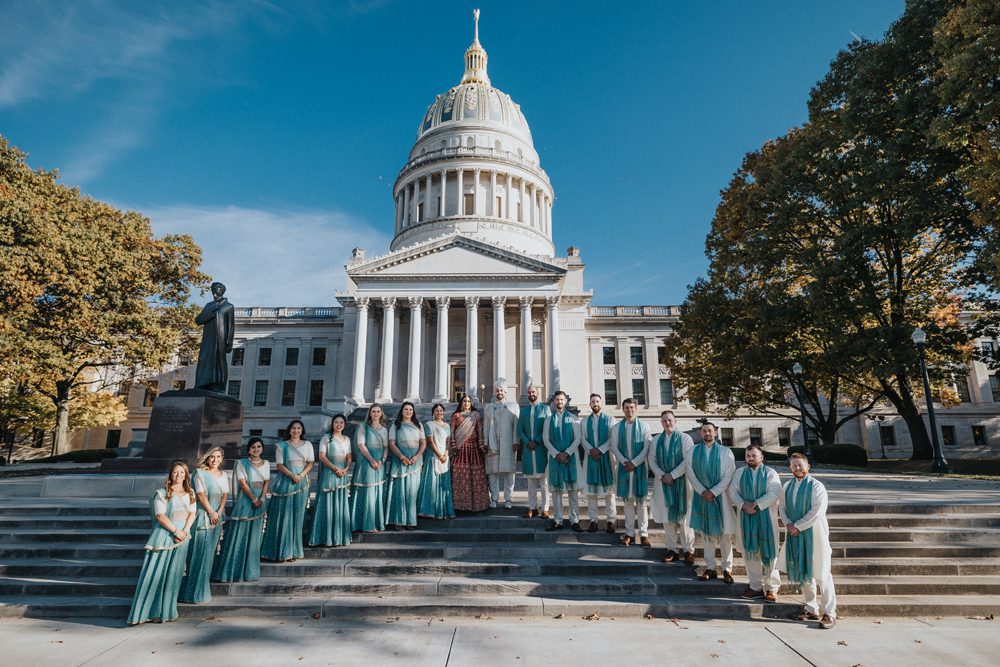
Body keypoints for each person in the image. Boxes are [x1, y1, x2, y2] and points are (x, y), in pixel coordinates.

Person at [127, 461, 196, 625]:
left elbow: (192, 514)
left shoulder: (190, 493)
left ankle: (166, 611)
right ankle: (144, 613)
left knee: (173, 575)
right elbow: (160, 516)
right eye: (175, 472)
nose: (179, 475)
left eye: (182, 472)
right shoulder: (162, 493)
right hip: (165, 536)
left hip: (182, 538)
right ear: (170, 474)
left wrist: (185, 531)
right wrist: (176, 531)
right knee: (156, 573)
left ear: (186, 475)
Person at [779, 453, 837, 629]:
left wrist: (798, 526)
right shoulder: (787, 486)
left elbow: (817, 511)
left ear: (808, 466)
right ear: (790, 467)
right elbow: (782, 507)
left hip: (815, 534)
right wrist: (788, 524)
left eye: (800, 465)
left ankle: (830, 613)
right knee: (803, 570)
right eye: (794, 465)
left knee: (822, 572)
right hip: (795, 534)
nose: (797, 468)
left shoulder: (817, 486)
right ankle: (811, 608)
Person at [212, 437, 269, 582]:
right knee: (240, 533)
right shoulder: (242, 463)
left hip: (261, 501)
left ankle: (250, 571)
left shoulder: (266, 463)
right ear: (249, 450)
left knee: (254, 537)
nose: (256, 449)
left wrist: (262, 499)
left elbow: (266, 482)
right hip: (246, 500)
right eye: (253, 447)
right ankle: (232, 572)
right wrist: (254, 499)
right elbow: (243, 484)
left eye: (259, 446)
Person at [729, 444, 781, 601]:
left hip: (766, 518)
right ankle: (755, 587)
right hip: (746, 517)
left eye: (754, 455)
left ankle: (772, 588)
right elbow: (733, 491)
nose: (751, 458)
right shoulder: (739, 473)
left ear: (761, 457)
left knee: (770, 554)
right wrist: (743, 504)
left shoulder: (770, 473)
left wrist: (756, 504)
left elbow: (774, 492)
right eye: (748, 455)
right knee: (750, 553)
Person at [686, 422, 736, 583]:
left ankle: (727, 569)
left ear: (715, 433)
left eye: (710, 430)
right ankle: (711, 568)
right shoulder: (693, 451)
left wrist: (713, 491)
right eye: (704, 431)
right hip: (701, 497)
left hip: (721, 498)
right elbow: (690, 472)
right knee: (706, 534)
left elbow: (729, 475)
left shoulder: (725, 452)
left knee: (725, 535)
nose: (707, 433)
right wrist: (703, 491)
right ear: (700, 433)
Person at [178, 446, 228, 603]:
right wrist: (212, 512)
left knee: (209, 556)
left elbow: (225, 495)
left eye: (218, 457)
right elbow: (200, 495)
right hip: (203, 517)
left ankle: (202, 590)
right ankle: (191, 593)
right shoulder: (200, 473)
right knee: (198, 554)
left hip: (217, 519)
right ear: (207, 458)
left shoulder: (224, 475)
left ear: (222, 459)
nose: (215, 460)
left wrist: (219, 512)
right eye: (212, 457)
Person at [262, 419, 314, 562]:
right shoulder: (282, 446)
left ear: (302, 430)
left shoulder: (308, 445)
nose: (296, 431)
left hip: (301, 485)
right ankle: (280, 552)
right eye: (293, 428)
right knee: (283, 517)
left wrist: (300, 476)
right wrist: (292, 476)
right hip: (285, 483)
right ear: (289, 430)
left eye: (299, 428)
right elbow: (279, 465)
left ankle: (293, 551)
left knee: (297, 518)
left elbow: (310, 463)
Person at [649, 410, 695, 564]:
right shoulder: (656, 440)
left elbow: (688, 459)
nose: (667, 423)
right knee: (667, 517)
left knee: (684, 518)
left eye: (669, 420)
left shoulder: (685, 438)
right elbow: (652, 459)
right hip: (663, 483)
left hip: (683, 483)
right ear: (661, 423)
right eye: (664, 421)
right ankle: (672, 550)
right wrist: (662, 475)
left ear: (675, 421)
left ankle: (688, 551)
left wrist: (673, 475)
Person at [609, 398, 652, 546]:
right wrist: (624, 462)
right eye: (627, 407)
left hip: (639, 468)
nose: (629, 410)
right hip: (624, 468)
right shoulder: (616, 428)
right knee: (628, 502)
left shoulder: (645, 426)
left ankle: (644, 534)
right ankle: (629, 533)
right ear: (623, 409)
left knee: (642, 503)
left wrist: (634, 462)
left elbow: (647, 447)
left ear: (636, 408)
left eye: (632, 407)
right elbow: (614, 446)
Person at [309, 415, 353, 547]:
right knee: (327, 504)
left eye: (341, 422)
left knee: (340, 505)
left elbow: (349, 457)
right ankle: (325, 538)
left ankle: (339, 537)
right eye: (336, 422)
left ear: (344, 424)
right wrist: (335, 469)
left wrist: (346, 469)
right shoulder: (326, 438)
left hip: (342, 474)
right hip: (330, 473)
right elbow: (322, 456)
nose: (339, 425)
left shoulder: (347, 439)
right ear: (332, 424)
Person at [543, 390, 582, 532]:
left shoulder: (573, 418)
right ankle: (557, 520)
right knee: (556, 491)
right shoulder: (548, 420)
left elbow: (578, 438)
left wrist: (567, 453)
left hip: (570, 459)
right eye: (557, 399)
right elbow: (546, 439)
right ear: (554, 401)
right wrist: (556, 454)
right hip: (555, 459)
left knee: (573, 491)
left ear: (565, 401)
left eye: (561, 399)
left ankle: (574, 520)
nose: (559, 402)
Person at [580, 393, 617, 534]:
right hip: (590, 458)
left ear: (602, 403)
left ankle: (610, 521)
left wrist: (600, 450)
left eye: (597, 401)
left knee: (609, 493)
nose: (595, 404)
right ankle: (593, 520)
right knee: (591, 492)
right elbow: (582, 438)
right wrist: (591, 450)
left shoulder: (610, 420)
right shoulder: (584, 422)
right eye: (593, 402)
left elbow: (612, 438)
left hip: (606, 457)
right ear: (589, 404)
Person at [386, 401, 426, 530]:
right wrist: (401, 457)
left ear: (413, 412)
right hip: (400, 461)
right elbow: (391, 444)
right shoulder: (396, 425)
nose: (408, 411)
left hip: (415, 462)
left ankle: (411, 521)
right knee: (400, 491)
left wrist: (416, 456)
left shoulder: (418, 425)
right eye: (406, 409)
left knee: (411, 492)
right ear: (402, 411)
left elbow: (423, 443)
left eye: (410, 409)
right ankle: (399, 521)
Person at [483, 379, 519, 509]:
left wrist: (516, 442)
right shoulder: (488, 408)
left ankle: (508, 499)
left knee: (509, 474)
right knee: (493, 473)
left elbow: (516, 426)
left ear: (505, 391)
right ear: (494, 392)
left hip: (509, 444)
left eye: (501, 390)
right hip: (493, 444)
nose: (499, 393)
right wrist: (485, 442)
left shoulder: (514, 406)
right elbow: (486, 427)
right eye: (497, 390)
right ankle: (494, 499)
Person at [352, 404, 389, 532]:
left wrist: (381, 460)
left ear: (381, 413)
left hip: (379, 463)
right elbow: (361, 445)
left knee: (377, 491)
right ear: (370, 413)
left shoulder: (384, 429)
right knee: (367, 490)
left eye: (378, 411)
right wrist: (372, 460)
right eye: (373, 411)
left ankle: (375, 523)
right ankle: (363, 524)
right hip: (366, 461)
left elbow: (385, 447)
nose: (376, 414)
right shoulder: (363, 427)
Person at [450, 394, 490, 512]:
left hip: (473, 449)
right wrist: (453, 445)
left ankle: (477, 505)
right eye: (464, 401)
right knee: (460, 475)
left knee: (475, 475)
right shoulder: (456, 416)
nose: (466, 403)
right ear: (461, 403)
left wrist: (481, 445)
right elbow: (451, 432)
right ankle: (460, 505)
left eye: (468, 401)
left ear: (471, 403)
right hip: (460, 449)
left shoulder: (476, 415)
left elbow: (479, 431)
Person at [194, 281, 236, 392]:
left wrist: (229, 341)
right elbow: (198, 320)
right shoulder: (209, 305)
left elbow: (231, 326)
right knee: (204, 360)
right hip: (208, 339)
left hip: (220, 340)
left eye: (217, 289)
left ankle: (219, 385)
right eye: (213, 289)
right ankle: (202, 384)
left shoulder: (228, 307)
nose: (214, 291)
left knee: (219, 362)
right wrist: (211, 311)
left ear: (222, 290)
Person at [517, 384, 551, 519]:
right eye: (529, 392)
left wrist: (536, 441)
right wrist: (527, 442)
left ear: (538, 393)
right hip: (528, 450)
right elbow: (520, 429)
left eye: (533, 392)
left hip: (541, 449)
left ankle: (545, 509)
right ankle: (532, 507)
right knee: (530, 483)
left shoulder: (545, 409)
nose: (531, 394)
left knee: (544, 483)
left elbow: (548, 428)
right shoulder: (523, 410)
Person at [418, 403, 456, 519]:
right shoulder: (429, 425)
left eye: (441, 411)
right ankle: (429, 511)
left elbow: (448, 441)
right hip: (433, 457)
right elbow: (430, 442)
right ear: (433, 413)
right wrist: (440, 455)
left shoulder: (447, 426)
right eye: (436, 411)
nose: (439, 413)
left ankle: (443, 511)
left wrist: (446, 453)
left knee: (443, 484)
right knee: (432, 484)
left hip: (444, 457)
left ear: (443, 413)